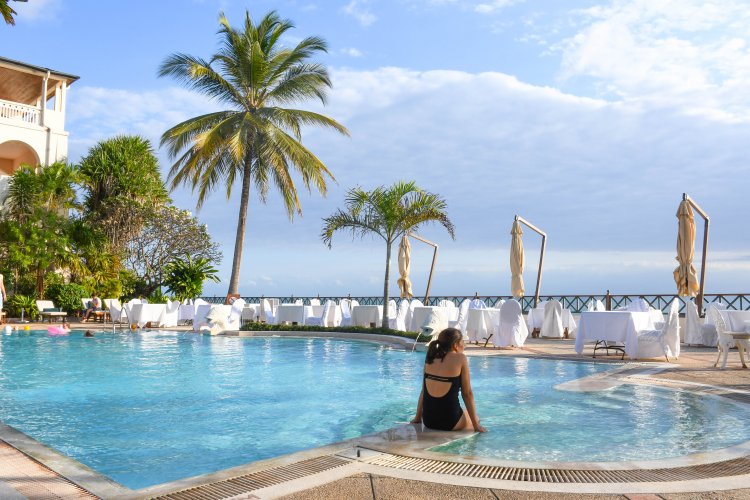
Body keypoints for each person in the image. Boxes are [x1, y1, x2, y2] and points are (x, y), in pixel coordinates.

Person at [411, 328, 486, 433]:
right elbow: (467, 393)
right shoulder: (460, 358)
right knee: (476, 417)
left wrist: (417, 418)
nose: (464, 344)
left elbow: (423, 391)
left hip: (428, 421)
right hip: (450, 422)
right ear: (455, 344)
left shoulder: (431, 357)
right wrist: (476, 425)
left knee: (465, 413)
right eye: (462, 341)